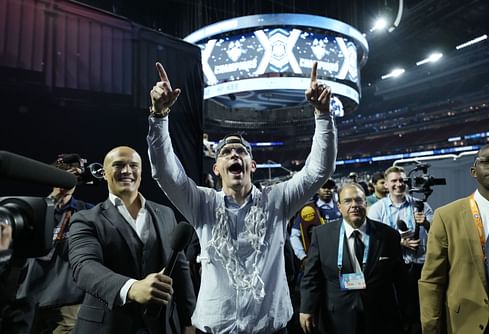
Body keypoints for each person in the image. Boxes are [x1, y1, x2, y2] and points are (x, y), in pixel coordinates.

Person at [147, 61, 337, 333]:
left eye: (241, 151)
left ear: (252, 165)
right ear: (217, 168)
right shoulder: (202, 204)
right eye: (226, 152)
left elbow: (319, 170)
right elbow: (166, 173)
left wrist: (322, 114)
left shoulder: (277, 200)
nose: (234, 154)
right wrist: (159, 117)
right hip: (216, 328)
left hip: (270, 329)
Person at [68, 146, 196, 334]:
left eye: (133, 165)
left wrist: (189, 320)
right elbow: (84, 267)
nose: (127, 171)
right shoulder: (86, 219)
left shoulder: (165, 214)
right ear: (104, 173)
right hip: (108, 326)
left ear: (141, 172)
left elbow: (180, 269)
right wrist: (132, 288)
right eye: (118, 165)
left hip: (161, 325)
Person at [299, 183, 407, 334]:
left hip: (380, 316)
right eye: (348, 201)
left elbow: (401, 280)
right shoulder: (321, 235)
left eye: (358, 200)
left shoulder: (388, 235)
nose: (354, 205)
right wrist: (306, 309)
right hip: (337, 318)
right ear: (339, 206)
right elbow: (311, 276)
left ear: (366, 203)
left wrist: (410, 315)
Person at [420, 143, 489, 334]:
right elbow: (432, 280)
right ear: (474, 171)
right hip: (466, 324)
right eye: (487, 161)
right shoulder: (447, 216)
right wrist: (431, 327)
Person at [16, 153, 94, 334]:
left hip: (68, 301)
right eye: (62, 175)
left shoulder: (87, 212)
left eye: (74, 177)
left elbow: (116, 212)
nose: (67, 181)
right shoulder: (31, 208)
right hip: (28, 298)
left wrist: (104, 175)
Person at [367, 165, 433, 334]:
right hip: (391, 269)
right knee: (397, 311)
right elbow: (372, 239)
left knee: (420, 310)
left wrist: (425, 223)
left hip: (419, 267)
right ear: (386, 185)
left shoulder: (421, 206)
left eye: (402, 180)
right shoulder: (376, 209)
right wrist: (400, 243)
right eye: (394, 181)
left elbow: (437, 233)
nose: (399, 184)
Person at [290, 178, 342, 262]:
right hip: (317, 258)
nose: (327, 190)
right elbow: (294, 235)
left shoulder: (340, 208)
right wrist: (302, 257)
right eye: (323, 187)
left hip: (339, 256)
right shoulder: (308, 209)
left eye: (330, 187)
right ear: (317, 189)